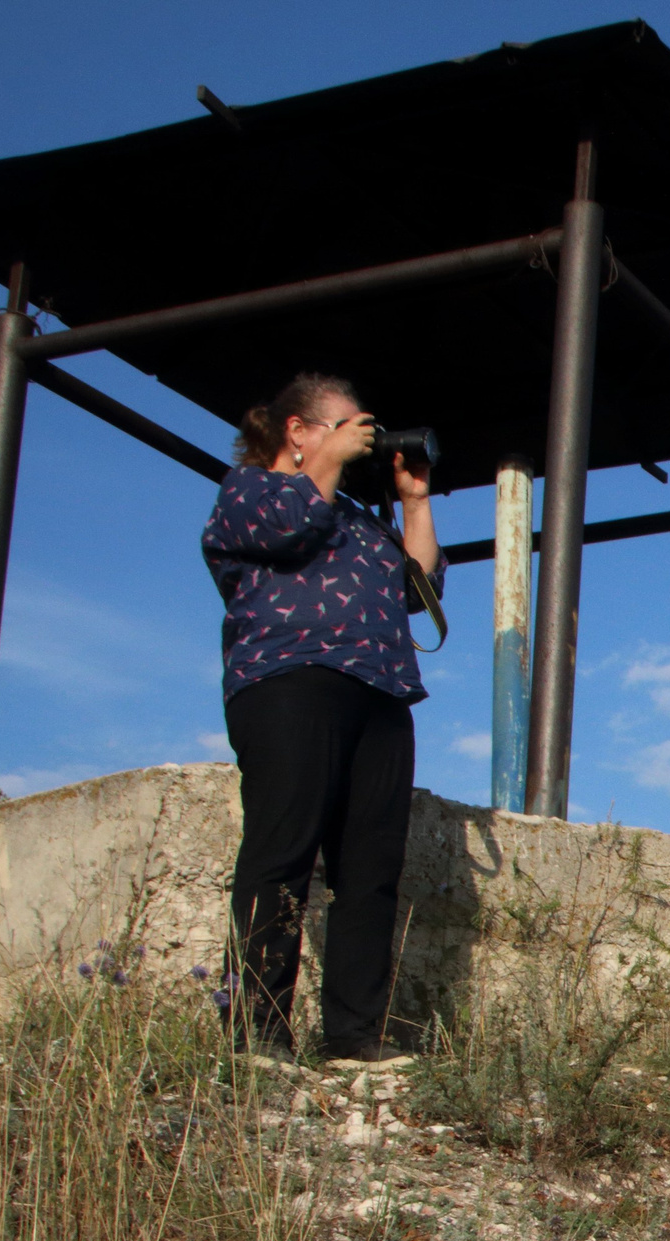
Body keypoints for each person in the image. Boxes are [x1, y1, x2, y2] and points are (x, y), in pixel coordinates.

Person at [207, 372, 442, 1067]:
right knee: (281, 853)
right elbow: (287, 529)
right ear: (298, 432)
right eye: (345, 425)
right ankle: (255, 1032)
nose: (361, 438)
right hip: (289, 679)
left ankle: (353, 1034)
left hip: (380, 691)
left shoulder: (360, 521)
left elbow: (417, 587)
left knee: (369, 869)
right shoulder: (250, 491)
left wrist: (415, 500)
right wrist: (332, 464)